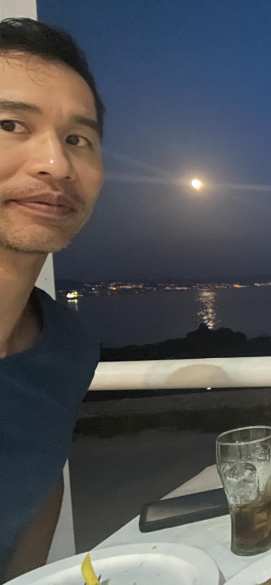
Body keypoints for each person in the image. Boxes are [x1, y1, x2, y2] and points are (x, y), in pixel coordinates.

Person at [0, 18, 104, 580]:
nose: (56, 165)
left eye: (77, 139)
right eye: (11, 123)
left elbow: (39, 486)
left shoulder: (65, 348)